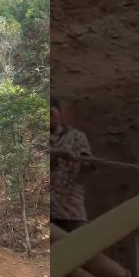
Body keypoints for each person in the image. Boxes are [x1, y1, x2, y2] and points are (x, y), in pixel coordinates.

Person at [51, 96, 93, 232]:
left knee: (77, 249)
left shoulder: (77, 137)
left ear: (59, 113)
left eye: (51, 113)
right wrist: (59, 153)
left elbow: (85, 171)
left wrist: (86, 163)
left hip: (72, 210)